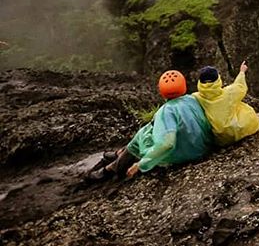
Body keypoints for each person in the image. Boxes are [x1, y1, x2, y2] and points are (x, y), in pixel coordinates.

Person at [86, 70, 214, 181]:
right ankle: (119, 153)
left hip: (186, 154)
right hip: (202, 146)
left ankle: (112, 169)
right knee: (149, 128)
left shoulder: (165, 111)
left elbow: (167, 143)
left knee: (142, 134)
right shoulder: (193, 99)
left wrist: (142, 164)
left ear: (162, 91)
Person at [192, 61, 259, 147]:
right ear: (218, 80)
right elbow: (240, 86)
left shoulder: (196, 97)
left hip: (220, 139)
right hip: (236, 130)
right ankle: (255, 119)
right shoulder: (229, 93)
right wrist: (242, 72)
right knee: (245, 110)